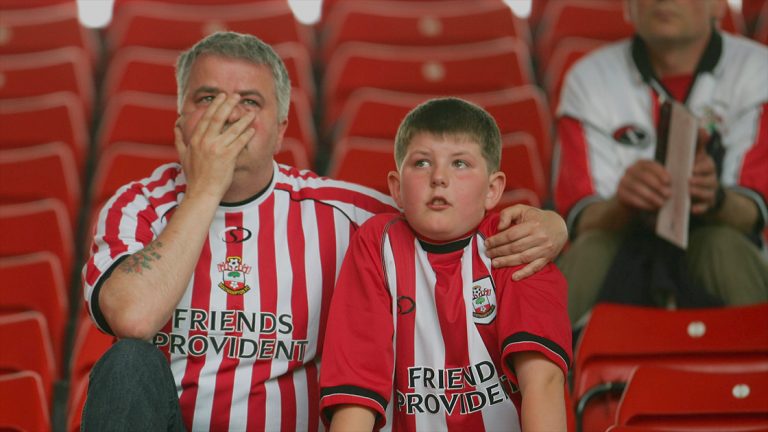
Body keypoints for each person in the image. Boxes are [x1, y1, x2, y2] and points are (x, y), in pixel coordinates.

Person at [81, 32, 569, 431]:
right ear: (181, 120)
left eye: (249, 102)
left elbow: (446, 213)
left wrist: (552, 225)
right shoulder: (137, 206)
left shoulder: (347, 216)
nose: (226, 115)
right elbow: (134, 318)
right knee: (127, 364)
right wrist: (206, 189)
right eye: (207, 99)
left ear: (281, 126)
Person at [319, 98, 571, 431]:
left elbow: (543, 383)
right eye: (422, 163)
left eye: (460, 164)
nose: (439, 177)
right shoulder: (375, 245)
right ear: (396, 188)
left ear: (493, 189)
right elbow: (356, 393)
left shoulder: (519, 241)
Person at [554, 0, 768, 326]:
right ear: (628, 7)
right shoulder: (588, 79)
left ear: (718, 6)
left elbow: (754, 212)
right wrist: (624, 202)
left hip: (722, 242)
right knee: (589, 252)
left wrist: (715, 198)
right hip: (622, 243)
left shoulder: (758, 69)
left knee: (723, 246)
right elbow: (582, 219)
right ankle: (542, 374)